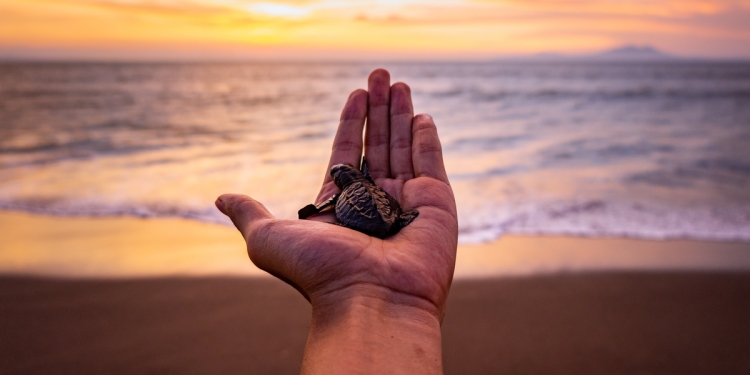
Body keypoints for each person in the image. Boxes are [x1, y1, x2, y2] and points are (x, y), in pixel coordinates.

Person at [215, 68, 458, 374]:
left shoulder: (339, 196)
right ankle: (395, 222)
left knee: (360, 213)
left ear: (342, 180)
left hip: (363, 217)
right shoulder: (370, 184)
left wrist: (307, 215)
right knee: (385, 213)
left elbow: (316, 210)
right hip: (389, 217)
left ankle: (376, 224)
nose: (336, 175)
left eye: (337, 175)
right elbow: (371, 186)